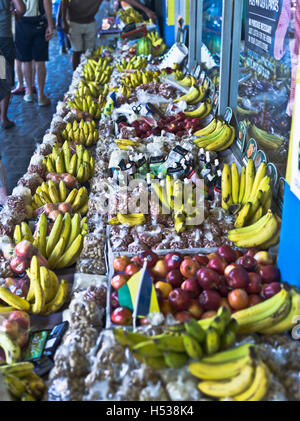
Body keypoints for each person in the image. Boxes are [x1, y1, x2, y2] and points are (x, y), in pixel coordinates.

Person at [61, 0, 157, 71]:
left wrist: (146, 10)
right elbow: (64, 1)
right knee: (76, 51)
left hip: (90, 22)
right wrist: (62, 20)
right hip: (74, 22)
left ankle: (86, 71)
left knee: (89, 52)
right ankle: (76, 75)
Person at [14, 0, 53, 106]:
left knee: (25, 61)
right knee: (40, 61)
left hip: (21, 22)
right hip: (38, 22)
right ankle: (41, 96)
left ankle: (29, 93)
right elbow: (46, 2)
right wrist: (50, 25)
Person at [0, 0, 26, 129]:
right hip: (3, 38)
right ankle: (3, 118)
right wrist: (17, 15)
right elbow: (21, 8)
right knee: (4, 76)